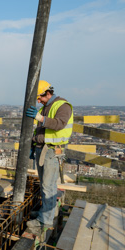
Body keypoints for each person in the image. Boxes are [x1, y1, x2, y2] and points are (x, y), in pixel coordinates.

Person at [25, 80, 73, 230]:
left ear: (47, 93)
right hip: (43, 149)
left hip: (52, 151)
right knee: (46, 185)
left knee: (48, 187)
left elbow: (59, 124)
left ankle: (44, 221)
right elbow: (41, 130)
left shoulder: (63, 106)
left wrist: (40, 118)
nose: (38, 101)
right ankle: (44, 214)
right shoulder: (47, 107)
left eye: (39, 98)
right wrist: (34, 144)